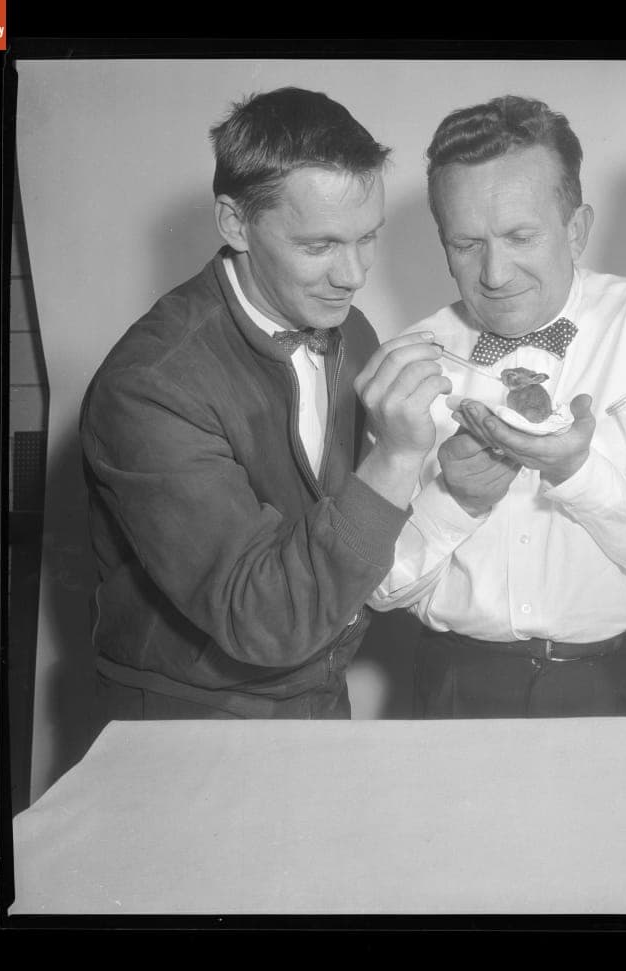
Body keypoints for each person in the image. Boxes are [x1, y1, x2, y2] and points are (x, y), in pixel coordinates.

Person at [81, 87, 450, 721]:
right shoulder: (150, 386)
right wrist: (394, 460)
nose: (354, 275)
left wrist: (455, 484)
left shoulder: (349, 329)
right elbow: (266, 619)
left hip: (320, 693)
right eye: (319, 246)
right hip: (187, 716)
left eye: (368, 239)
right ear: (234, 222)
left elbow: (347, 534)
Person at [369, 95, 626, 718]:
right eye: (467, 243)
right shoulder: (410, 361)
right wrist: (458, 500)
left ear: (576, 229)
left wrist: (574, 473)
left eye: (520, 236)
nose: (495, 273)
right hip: (458, 686)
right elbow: (379, 588)